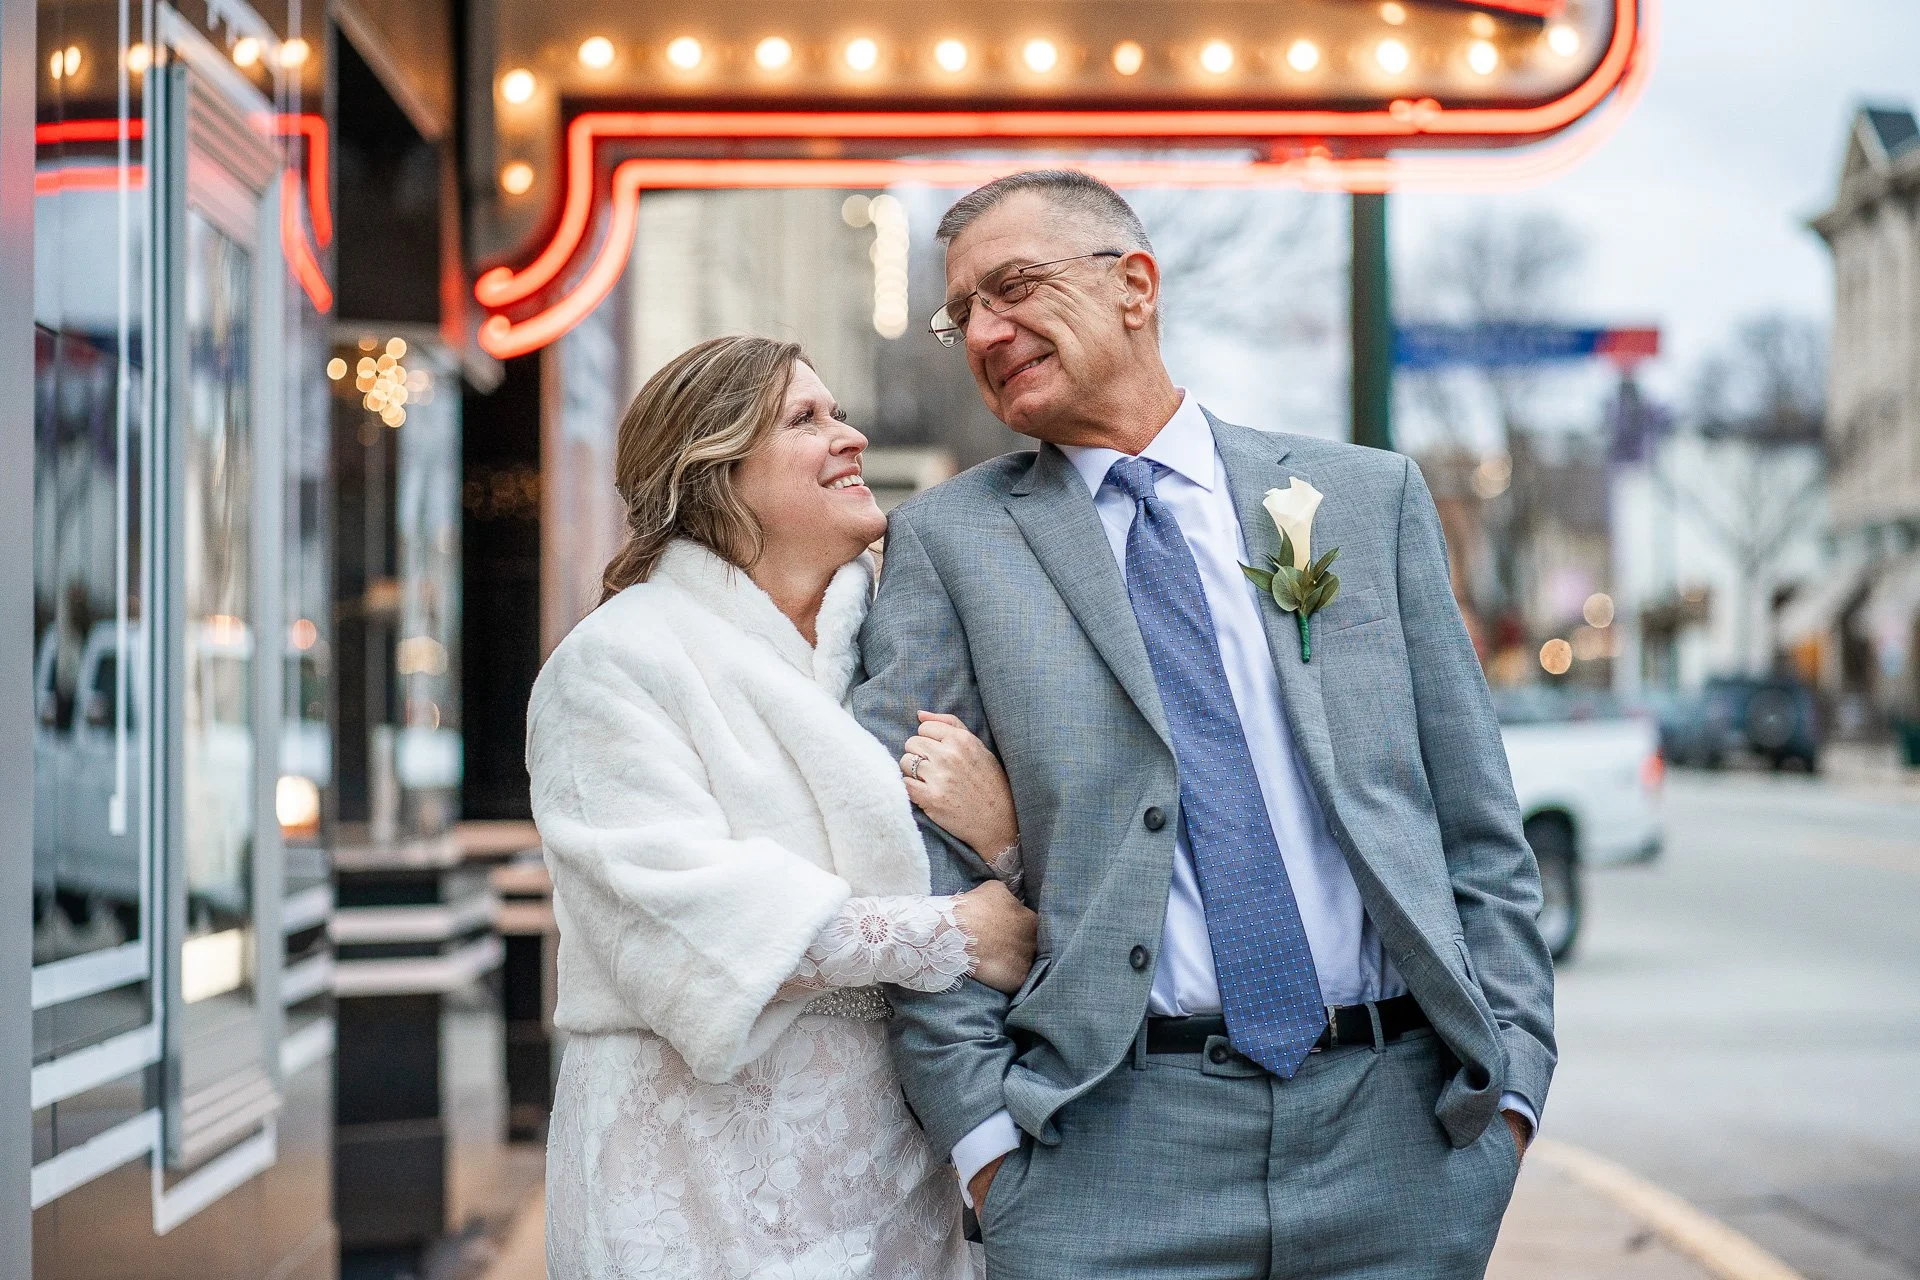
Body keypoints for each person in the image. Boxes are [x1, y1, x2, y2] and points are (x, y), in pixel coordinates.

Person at [851, 171, 1557, 1278]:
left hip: (1400, 1144)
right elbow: (906, 866)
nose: (985, 331)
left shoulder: (1361, 502)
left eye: (1015, 286)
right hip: (1108, 1154)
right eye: (963, 313)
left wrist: (1509, 1090)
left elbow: (1477, 822)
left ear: (1135, 285)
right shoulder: (948, 544)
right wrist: (990, 1146)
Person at [529, 335, 1035, 1279]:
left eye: (838, 412)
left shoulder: (895, 653)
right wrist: (953, 937)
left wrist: (1001, 839)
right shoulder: (615, 665)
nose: (851, 437)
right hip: (693, 1174)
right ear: (713, 470)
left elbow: (1003, 876)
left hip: (891, 1173)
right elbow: (677, 908)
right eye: (807, 420)